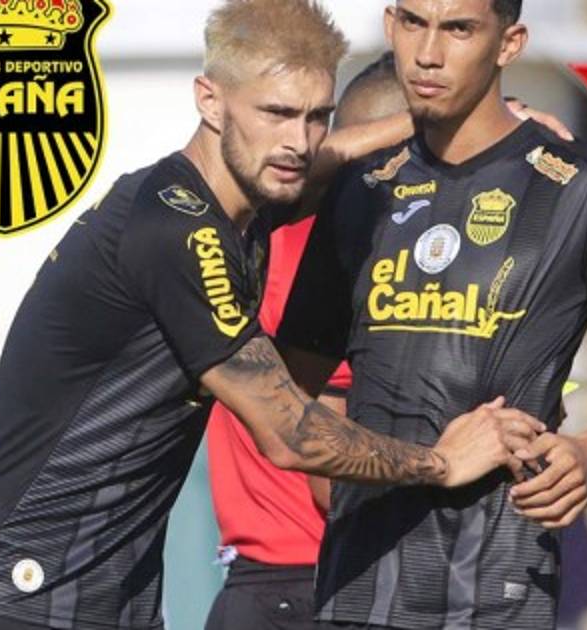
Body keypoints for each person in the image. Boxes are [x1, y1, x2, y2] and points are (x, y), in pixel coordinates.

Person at [0, 2, 547, 629]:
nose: (297, 141)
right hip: (10, 594)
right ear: (209, 101)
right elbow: (290, 433)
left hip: (104, 599)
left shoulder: (240, 201)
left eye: (316, 116)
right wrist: (443, 462)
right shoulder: (176, 228)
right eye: (276, 113)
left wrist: (467, 116)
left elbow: (331, 156)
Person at [277, 1, 587, 627]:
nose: (428, 54)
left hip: (499, 591)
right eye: (413, 23)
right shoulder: (360, 191)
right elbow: (295, 389)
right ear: (390, 26)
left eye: (459, 29)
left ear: (509, 43)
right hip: (358, 588)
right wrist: (360, 476)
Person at [203, 52, 405, 630]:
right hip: (311, 586)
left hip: (263, 589)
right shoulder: (341, 264)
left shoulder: (263, 240)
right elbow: (332, 480)